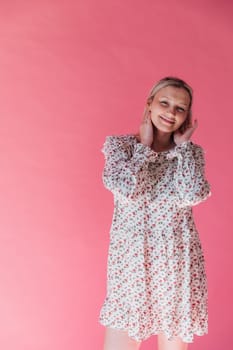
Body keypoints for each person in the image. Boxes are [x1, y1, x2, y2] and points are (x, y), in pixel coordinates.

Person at [98, 76, 211, 350]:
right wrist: (144, 149)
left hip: (175, 259)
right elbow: (124, 188)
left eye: (180, 108)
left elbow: (192, 194)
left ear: (186, 116)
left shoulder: (190, 153)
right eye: (165, 103)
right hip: (130, 262)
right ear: (150, 104)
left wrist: (183, 148)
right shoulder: (120, 147)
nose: (171, 112)